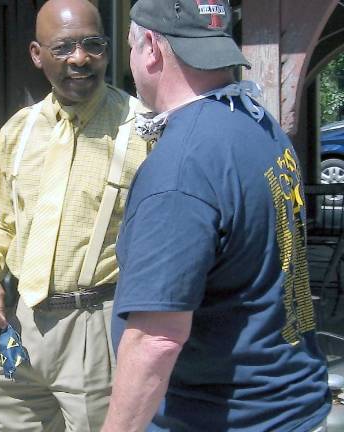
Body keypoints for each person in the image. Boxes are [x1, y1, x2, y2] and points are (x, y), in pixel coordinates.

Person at [102, 1, 331, 431]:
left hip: (227, 418)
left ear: (150, 47)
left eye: (131, 47)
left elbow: (157, 339)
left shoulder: (182, 168)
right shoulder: (259, 125)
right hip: (290, 406)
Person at [0, 0, 154, 430]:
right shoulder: (19, 129)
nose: (80, 58)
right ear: (37, 55)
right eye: (64, 47)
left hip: (96, 324)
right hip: (17, 323)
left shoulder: (143, 129)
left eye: (93, 44)